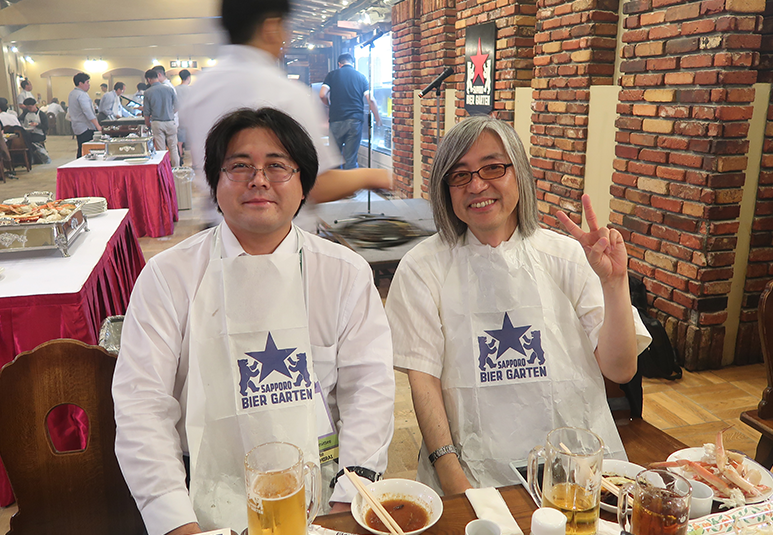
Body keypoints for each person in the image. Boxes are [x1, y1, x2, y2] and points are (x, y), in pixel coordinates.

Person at [112, 107, 395, 535]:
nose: (258, 180)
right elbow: (142, 406)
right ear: (215, 182)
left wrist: (349, 497)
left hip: (324, 487)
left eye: (277, 166)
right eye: (240, 166)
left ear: (303, 184)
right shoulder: (168, 276)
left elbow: (368, 390)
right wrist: (175, 519)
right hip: (197, 490)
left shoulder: (344, 272)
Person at [384, 116, 652, 496]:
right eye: (459, 175)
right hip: (472, 474)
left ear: (520, 174)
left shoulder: (567, 256)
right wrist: (455, 480)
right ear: (445, 189)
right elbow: (423, 381)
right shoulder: (423, 267)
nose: (477, 185)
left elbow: (621, 369)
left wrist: (614, 283)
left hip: (575, 473)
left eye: (493, 167)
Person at [180, 0, 392, 212]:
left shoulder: (201, 87)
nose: (287, 37)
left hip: (220, 221)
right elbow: (316, 185)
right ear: (271, 27)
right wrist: (376, 176)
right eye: (286, 26)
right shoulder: (284, 92)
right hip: (276, 224)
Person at [319, 53, 381, 169]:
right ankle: (351, 180)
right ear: (352, 63)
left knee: (334, 159)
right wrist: (377, 119)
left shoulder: (332, 75)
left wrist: (329, 105)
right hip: (355, 120)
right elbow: (371, 100)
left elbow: (322, 95)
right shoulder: (361, 77)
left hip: (336, 119)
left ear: (339, 64)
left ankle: (337, 180)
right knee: (351, 159)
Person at [143, 68, 180, 166]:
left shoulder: (148, 92)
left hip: (157, 122)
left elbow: (146, 111)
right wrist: (170, 113)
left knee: (161, 150)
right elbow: (177, 106)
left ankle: (165, 169)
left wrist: (147, 123)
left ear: (148, 79)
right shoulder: (169, 89)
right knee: (173, 148)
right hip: (170, 121)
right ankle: (176, 168)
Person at [67, 72, 101, 158]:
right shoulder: (82, 95)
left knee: (81, 148)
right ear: (80, 83)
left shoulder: (72, 93)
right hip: (85, 127)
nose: (89, 85)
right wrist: (98, 126)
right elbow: (88, 112)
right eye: (87, 82)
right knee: (86, 150)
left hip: (77, 126)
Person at [176, 69, 192, 162]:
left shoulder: (175, 89)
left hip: (179, 117)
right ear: (188, 77)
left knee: (179, 141)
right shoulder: (191, 90)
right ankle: (195, 162)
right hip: (190, 116)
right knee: (193, 140)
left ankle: (180, 159)